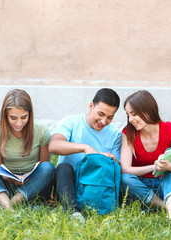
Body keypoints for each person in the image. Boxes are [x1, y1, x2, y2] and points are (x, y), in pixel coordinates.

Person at [49, 88, 121, 220]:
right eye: (101, 114)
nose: (104, 121)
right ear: (91, 106)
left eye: (110, 117)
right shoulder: (71, 121)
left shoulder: (115, 134)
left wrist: (109, 160)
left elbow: (116, 169)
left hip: (94, 186)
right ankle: (73, 212)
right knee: (63, 167)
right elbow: (53, 145)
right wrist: (85, 148)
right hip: (67, 183)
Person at [0, 89, 55, 210]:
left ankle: (9, 206)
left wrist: (28, 177)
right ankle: (8, 204)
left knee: (48, 168)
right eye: (13, 118)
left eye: (24, 117)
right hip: (8, 186)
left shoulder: (41, 131)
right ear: (5, 115)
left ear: (30, 114)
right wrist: (13, 180)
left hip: (34, 186)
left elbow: (44, 166)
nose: (19, 123)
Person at [120, 90, 171, 219]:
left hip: (163, 184)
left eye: (134, 114)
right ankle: (170, 207)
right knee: (125, 179)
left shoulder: (170, 129)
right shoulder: (128, 133)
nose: (130, 119)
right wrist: (154, 167)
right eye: (128, 115)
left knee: (170, 173)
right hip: (141, 187)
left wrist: (168, 166)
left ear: (148, 112)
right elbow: (125, 169)